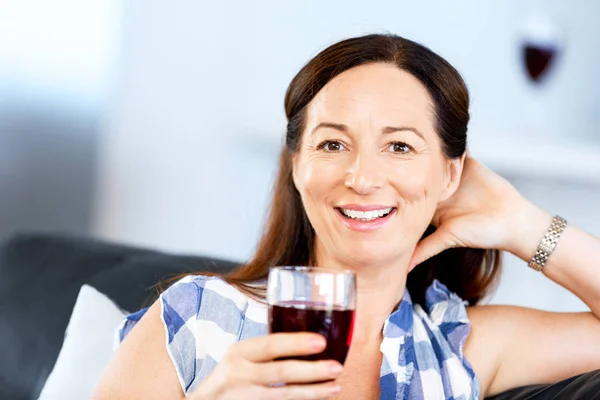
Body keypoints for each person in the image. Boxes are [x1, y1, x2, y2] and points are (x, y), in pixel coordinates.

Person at [92, 34, 600, 400]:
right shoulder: (197, 317)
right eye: (332, 144)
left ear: (449, 176)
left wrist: (521, 222)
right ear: (297, 165)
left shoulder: (459, 345)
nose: (362, 177)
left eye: (399, 146)